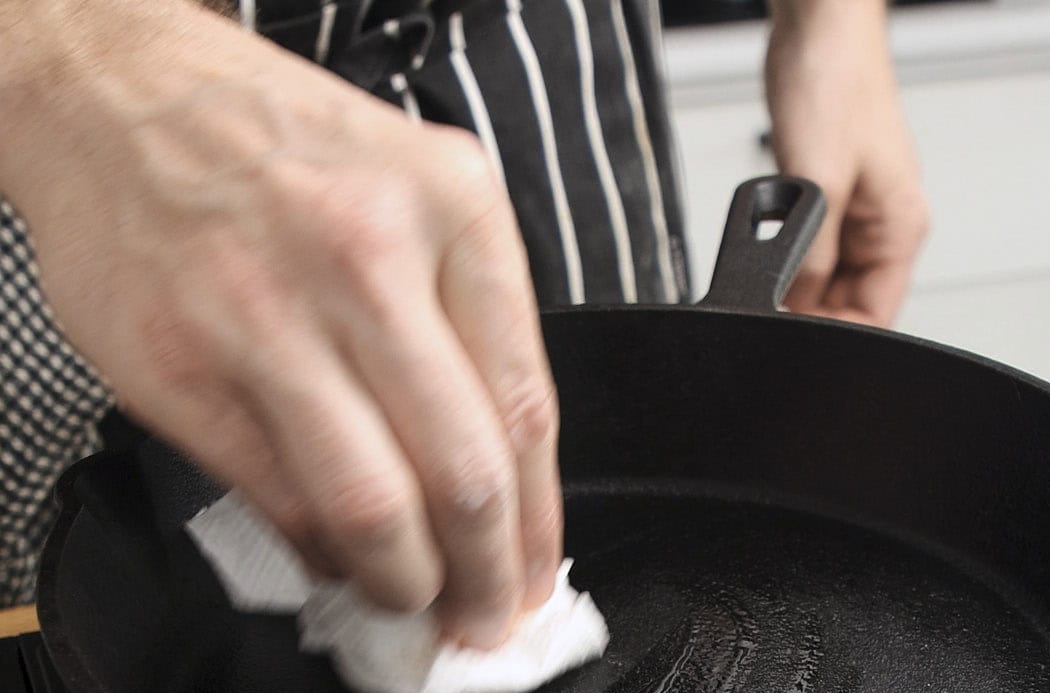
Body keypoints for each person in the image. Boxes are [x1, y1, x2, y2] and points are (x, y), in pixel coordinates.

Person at [0, 0, 928, 641]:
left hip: (525, 52)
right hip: (77, 125)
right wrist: (62, 53)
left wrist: (833, 29)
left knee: (589, 440)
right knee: (92, 603)